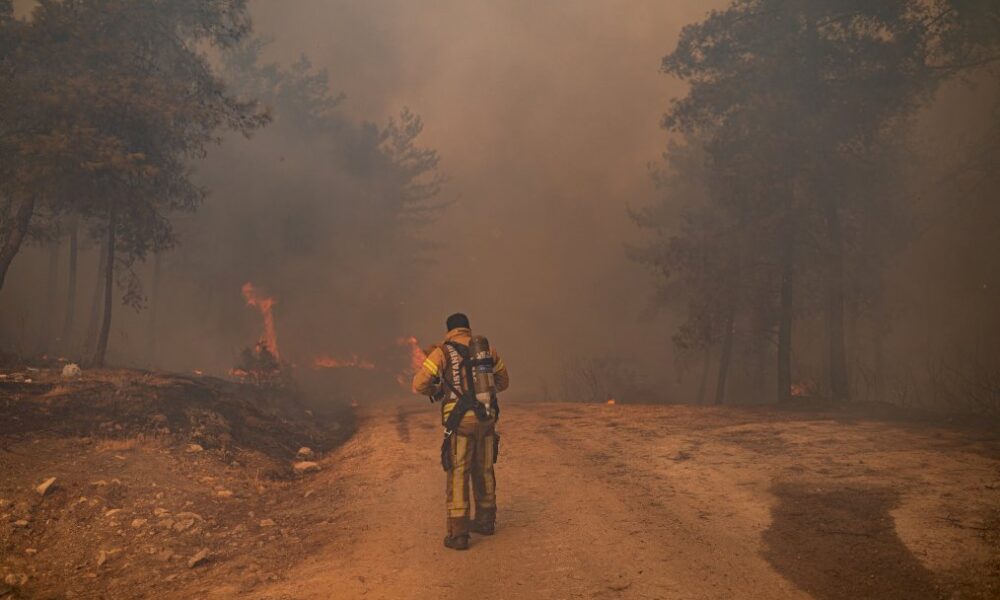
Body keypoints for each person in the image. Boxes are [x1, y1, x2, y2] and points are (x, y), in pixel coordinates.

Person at [411, 313, 510, 550]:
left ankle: (459, 534)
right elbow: (503, 382)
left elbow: (418, 385)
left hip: (460, 423)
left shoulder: (442, 353)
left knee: (458, 475)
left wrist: (439, 389)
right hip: (487, 419)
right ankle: (486, 522)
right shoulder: (486, 351)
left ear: (449, 330)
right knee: (484, 470)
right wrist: (480, 392)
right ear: (468, 329)